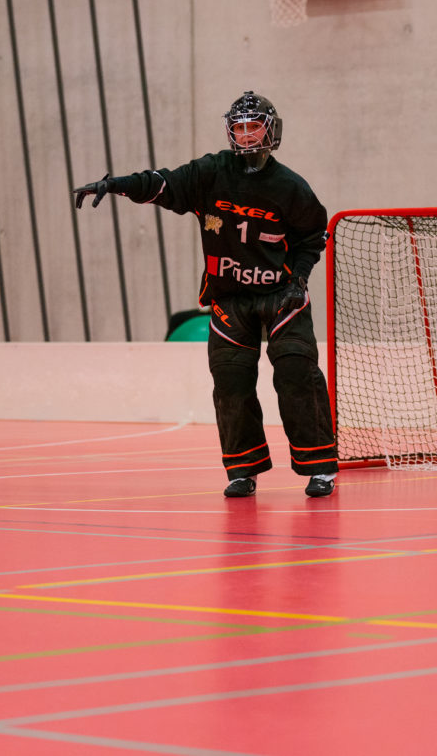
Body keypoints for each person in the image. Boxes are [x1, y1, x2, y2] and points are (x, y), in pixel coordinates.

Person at [72, 91, 338, 497]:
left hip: (282, 297)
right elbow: (161, 183)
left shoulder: (290, 187)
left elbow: (312, 236)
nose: (247, 136)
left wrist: (299, 278)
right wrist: (116, 184)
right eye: (240, 128)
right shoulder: (211, 172)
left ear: (272, 130)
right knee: (230, 381)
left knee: (297, 373)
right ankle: (243, 470)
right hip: (229, 299)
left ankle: (319, 467)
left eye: (255, 127)